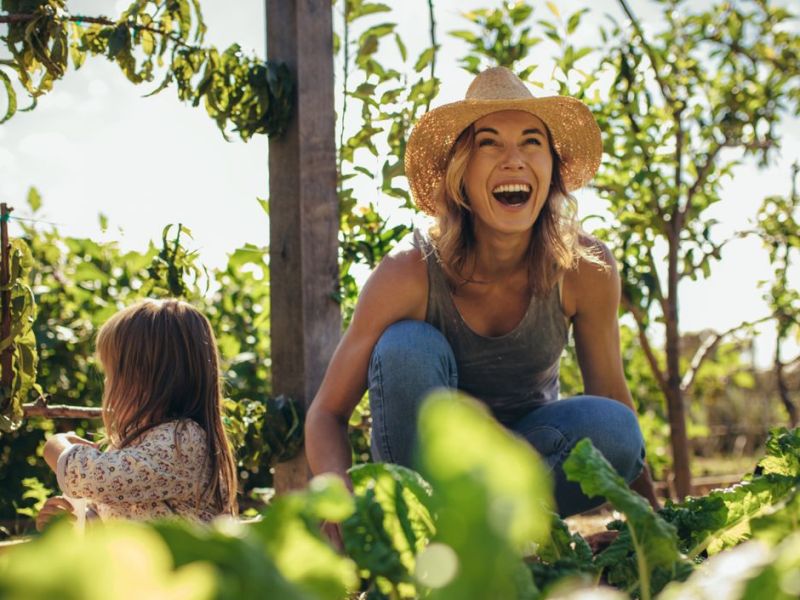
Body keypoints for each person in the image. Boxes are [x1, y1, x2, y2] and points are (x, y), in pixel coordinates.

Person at [305, 67, 659, 543]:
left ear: (551, 169)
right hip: (426, 479)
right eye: (489, 143)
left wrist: (655, 521)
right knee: (407, 346)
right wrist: (336, 494)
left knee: (616, 427)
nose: (514, 159)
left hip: (531, 464)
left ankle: (496, 537)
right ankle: (430, 537)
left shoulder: (585, 267)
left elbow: (614, 397)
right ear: (461, 175)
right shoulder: (407, 274)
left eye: (532, 142)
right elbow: (326, 412)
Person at [37, 299, 238, 530]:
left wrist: (55, 446)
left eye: (111, 373)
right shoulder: (137, 443)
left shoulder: (182, 440)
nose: (106, 383)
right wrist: (74, 521)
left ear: (144, 379)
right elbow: (116, 514)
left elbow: (97, 478)